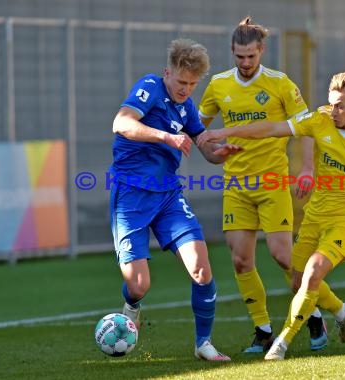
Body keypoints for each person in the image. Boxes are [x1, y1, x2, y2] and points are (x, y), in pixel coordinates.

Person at [197, 71, 345, 360]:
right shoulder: (320, 119)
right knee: (298, 283)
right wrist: (223, 132)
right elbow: (272, 128)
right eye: (331, 103)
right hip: (315, 216)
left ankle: (280, 344)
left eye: (340, 106)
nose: (333, 111)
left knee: (312, 272)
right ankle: (341, 310)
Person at [198, 15, 327, 353]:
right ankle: (263, 329)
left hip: (272, 182)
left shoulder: (280, 83)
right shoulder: (219, 86)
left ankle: (312, 312)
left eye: (251, 56)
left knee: (283, 256)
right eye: (239, 57)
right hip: (236, 184)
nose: (244, 63)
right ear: (232, 52)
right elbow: (199, 131)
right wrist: (213, 150)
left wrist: (308, 167)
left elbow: (307, 126)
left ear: (262, 51)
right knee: (241, 261)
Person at [109, 38, 242, 361]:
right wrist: (165, 136)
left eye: (193, 84)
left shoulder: (187, 107)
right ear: (168, 72)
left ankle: (203, 344)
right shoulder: (150, 87)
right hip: (131, 193)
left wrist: (219, 153)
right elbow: (121, 123)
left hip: (168, 195)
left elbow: (204, 147)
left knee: (201, 267)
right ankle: (132, 306)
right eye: (181, 82)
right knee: (139, 285)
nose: (186, 89)